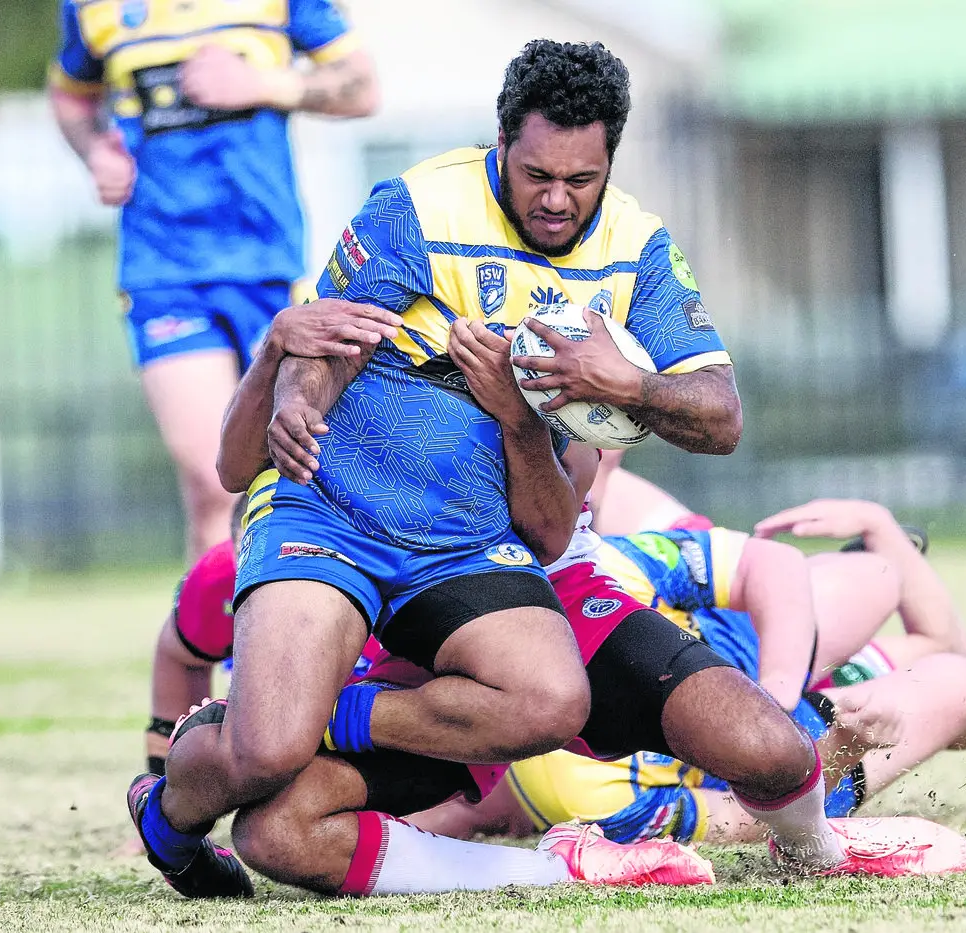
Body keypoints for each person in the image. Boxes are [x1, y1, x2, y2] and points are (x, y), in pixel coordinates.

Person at [126, 40, 756, 898]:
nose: (557, 199)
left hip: (463, 540)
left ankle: (327, 716)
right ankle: (164, 816)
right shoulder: (418, 206)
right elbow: (329, 334)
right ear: (502, 141)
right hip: (334, 513)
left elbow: (720, 416)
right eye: (537, 174)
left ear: (610, 156)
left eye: (581, 179)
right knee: (266, 748)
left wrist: (626, 382)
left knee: (548, 703)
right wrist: (298, 402)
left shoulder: (637, 246)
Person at [407, 499, 966, 846]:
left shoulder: (597, 563)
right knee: (958, 682)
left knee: (878, 578)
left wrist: (877, 527)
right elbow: (736, 822)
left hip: (744, 670)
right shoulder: (575, 787)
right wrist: (821, 751)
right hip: (770, 770)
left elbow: (768, 564)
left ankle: (871, 557)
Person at [48, 0, 379, 559]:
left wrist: (264, 84)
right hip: (164, 271)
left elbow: (363, 87)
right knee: (213, 483)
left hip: (269, 271)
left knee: (300, 474)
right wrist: (94, 152)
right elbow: (69, 95)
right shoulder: (89, 7)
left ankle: (300, 635)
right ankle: (213, 647)